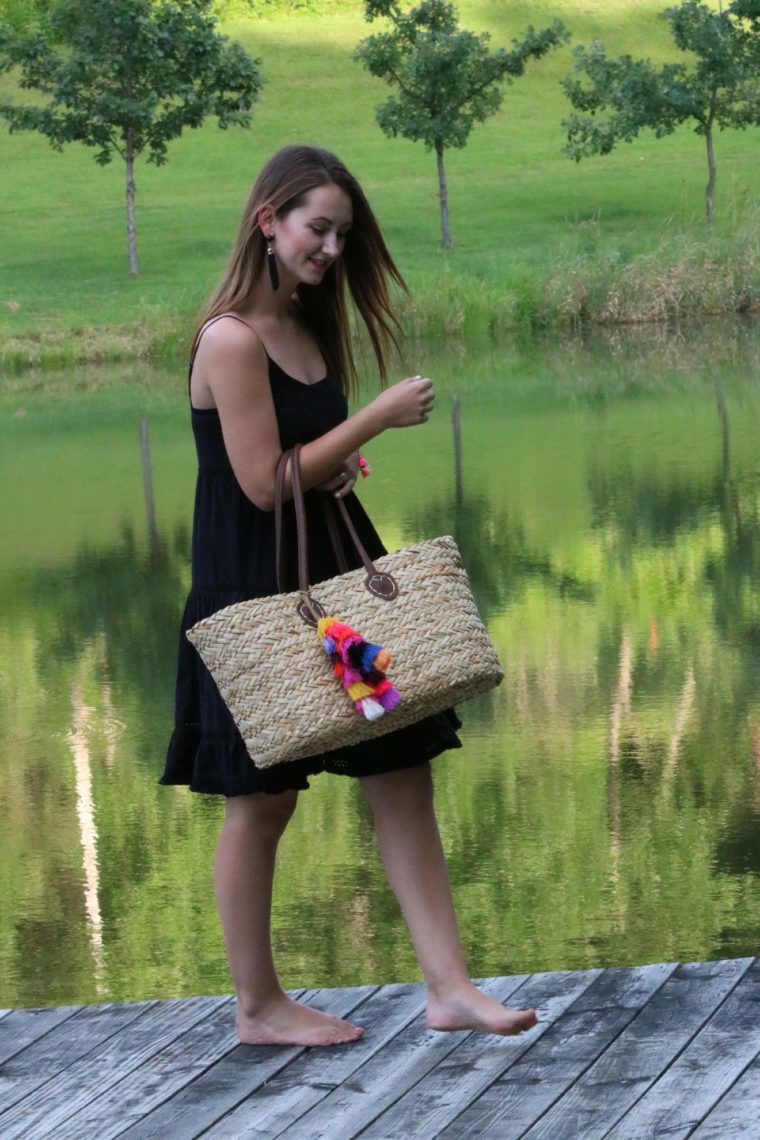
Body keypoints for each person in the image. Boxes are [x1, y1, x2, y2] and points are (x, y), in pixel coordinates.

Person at [162, 144, 537, 1046]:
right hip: (253, 591)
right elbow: (258, 483)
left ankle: (449, 989)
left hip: (336, 579)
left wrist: (342, 460)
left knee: (402, 768)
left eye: (341, 234)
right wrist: (373, 419)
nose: (330, 249)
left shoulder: (303, 325)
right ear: (269, 222)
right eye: (316, 228)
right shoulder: (230, 338)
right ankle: (257, 1008)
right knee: (262, 800)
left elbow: (301, 459)